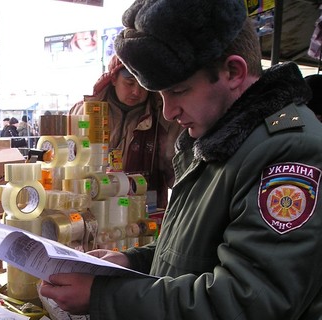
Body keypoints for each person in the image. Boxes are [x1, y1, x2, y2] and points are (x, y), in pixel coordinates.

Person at [40, 0, 322, 318]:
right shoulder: (220, 137)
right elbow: (195, 252)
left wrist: (106, 296)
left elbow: (249, 302)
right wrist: (133, 261)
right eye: (160, 95)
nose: (169, 112)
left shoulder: (287, 151)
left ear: (233, 71)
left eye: (178, 91)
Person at [70, 55, 182, 209]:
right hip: (92, 209)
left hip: (146, 215)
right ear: (114, 78)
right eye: (129, 83)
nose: (136, 92)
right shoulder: (83, 112)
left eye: (143, 85)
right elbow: (68, 163)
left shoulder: (164, 118)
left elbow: (180, 174)